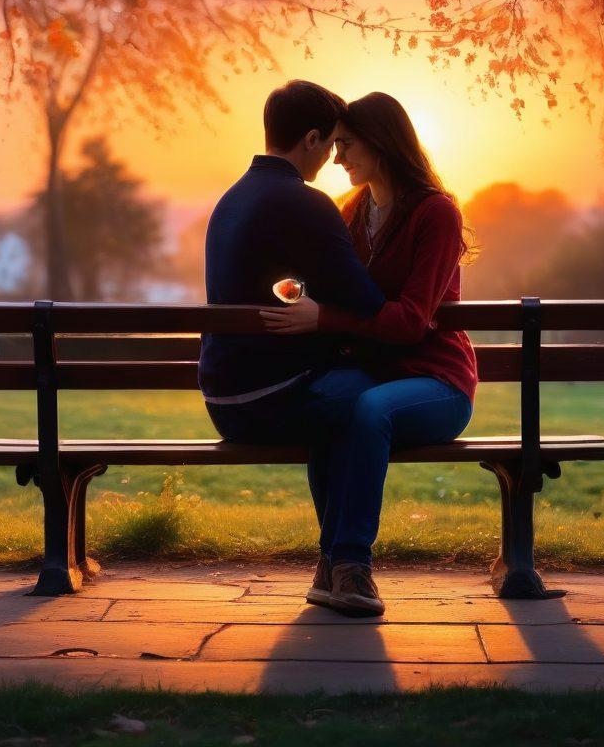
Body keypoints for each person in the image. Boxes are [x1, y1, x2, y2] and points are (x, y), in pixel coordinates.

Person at [261, 92, 478, 617]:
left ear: (382, 143)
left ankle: (350, 565)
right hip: (372, 376)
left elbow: (410, 322)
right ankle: (333, 564)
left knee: (366, 410)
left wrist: (325, 318)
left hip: (435, 381)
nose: (336, 159)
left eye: (347, 145)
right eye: (334, 146)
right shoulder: (352, 212)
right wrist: (291, 289)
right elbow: (332, 287)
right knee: (326, 408)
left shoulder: (435, 213)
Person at [199, 79, 385, 613]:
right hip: (275, 398)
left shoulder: (231, 199)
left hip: (224, 402)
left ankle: (335, 565)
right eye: (329, 145)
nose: (331, 158)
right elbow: (365, 299)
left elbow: (279, 288)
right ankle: (348, 567)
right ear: (310, 138)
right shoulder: (306, 204)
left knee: (344, 400)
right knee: (363, 403)